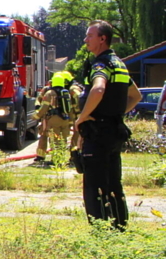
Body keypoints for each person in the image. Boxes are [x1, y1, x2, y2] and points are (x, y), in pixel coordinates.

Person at [74, 22, 141, 229]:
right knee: (113, 184)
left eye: (90, 36)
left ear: (102, 39)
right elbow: (136, 96)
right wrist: (116, 114)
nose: (86, 40)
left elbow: (98, 89)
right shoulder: (119, 64)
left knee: (94, 187)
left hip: (98, 133)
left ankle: (101, 232)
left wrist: (83, 117)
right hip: (114, 131)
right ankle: (120, 226)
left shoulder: (100, 65)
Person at [33, 71, 77, 165]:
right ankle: (61, 158)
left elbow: (44, 107)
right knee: (63, 139)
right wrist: (70, 122)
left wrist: (36, 116)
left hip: (53, 119)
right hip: (65, 119)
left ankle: (56, 160)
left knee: (54, 139)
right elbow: (70, 109)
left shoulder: (50, 93)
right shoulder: (66, 93)